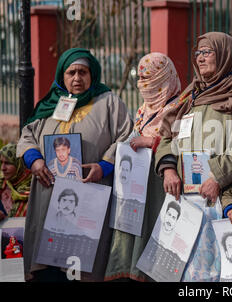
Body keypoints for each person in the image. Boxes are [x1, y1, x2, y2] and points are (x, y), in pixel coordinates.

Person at [16, 48, 134, 282]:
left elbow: (127, 137)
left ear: (93, 75)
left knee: (84, 266)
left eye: (83, 72)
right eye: (71, 73)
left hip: (91, 196)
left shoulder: (109, 102)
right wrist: (35, 160)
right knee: (49, 265)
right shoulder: (50, 104)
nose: (77, 78)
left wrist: (105, 165)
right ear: (62, 75)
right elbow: (27, 135)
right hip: (49, 196)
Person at [155, 32, 232, 281]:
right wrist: (169, 168)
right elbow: (167, 137)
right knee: (189, 270)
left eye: (207, 52)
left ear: (225, 55)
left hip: (223, 197)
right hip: (186, 198)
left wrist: (217, 176)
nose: (200, 58)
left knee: (223, 269)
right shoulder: (190, 95)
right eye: (198, 53)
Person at [105, 52, 181, 282]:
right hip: (137, 186)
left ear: (166, 76)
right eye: (142, 78)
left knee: (157, 238)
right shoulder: (142, 111)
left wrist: (153, 142)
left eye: (152, 78)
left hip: (161, 185)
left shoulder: (181, 108)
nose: (145, 85)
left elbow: (185, 145)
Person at [0, 143, 31, 222]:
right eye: (1, 162)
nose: (2, 168)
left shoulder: (32, 188)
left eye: (7, 163)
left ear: (19, 164)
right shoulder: (2, 185)